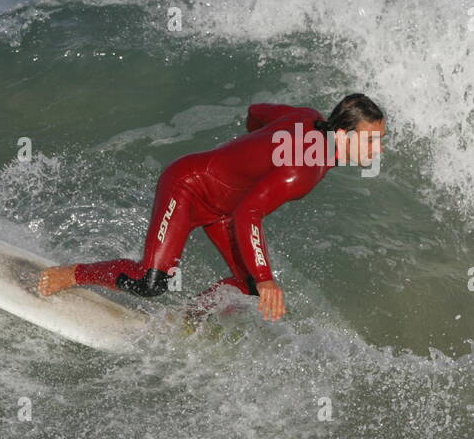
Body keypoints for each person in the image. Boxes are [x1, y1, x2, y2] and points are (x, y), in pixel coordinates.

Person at [38, 93, 386, 321]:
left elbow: (256, 112)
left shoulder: (308, 117)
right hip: (189, 187)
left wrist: (248, 152)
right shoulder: (303, 171)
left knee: (245, 286)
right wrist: (266, 279)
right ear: (342, 134)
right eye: (370, 139)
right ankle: (73, 273)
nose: (377, 149)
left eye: (379, 140)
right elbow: (248, 215)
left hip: (225, 207)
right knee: (151, 282)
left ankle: (188, 318)